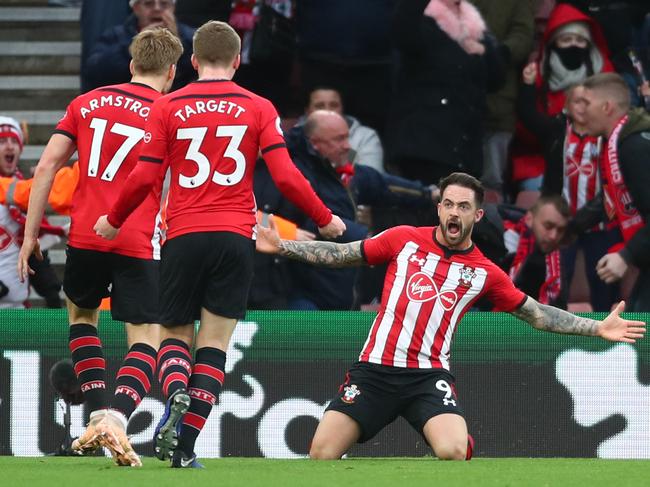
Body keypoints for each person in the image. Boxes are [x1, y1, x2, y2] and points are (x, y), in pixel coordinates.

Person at [93, 21, 346, 468]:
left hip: (183, 234)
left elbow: (146, 175)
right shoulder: (258, 106)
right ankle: (185, 448)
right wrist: (325, 220)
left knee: (173, 334)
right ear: (237, 59)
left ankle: (174, 390)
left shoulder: (168, 105)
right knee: (213, 345)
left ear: (191, 61)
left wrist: (114, 220)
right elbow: (286, 176)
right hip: (235, 236)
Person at [255, 171, 645, 460]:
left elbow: (536, 314)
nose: (454, 212)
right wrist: (285, 247)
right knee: (321, 455)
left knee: (454, 451)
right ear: (439, 207)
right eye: (448, 204)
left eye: (464, 206)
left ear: (477, 215)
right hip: (373, 371)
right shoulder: (402, 238)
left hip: (428, 378)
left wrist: (597, 328)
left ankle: (446, 435)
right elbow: (344, 254)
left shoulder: (485, 272)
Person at [17, 28, 184, 467]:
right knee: (145, 336)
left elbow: (48, 165)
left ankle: (95, 416)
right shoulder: (171, 111)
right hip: (136, 237)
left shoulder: (86, 102)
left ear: (131, 65)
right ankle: (116, 416)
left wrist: (30, 235)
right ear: (171, 71)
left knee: (82, 318)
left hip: (87, 236)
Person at [285, 110, 440, 310]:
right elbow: (306, 221)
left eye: (347, 137)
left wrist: (429, 194)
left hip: (343, 286)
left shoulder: (342, 169)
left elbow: (382, 185)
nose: (347, 146)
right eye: (339, 139)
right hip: (304, 291)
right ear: (315, 144)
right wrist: (367, 237)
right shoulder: (295, 172)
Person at [518, 64, 621, 311]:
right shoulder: (557, 130)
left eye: (589, 102)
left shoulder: (608, 135)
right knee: (556, 281)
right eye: (578, 102)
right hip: (563, 223)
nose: (583, 107)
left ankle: (604, 334)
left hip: (599, 222)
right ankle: (558, 332)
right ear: (567, 106)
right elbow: (527, 115)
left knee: (603, 282)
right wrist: (528, 85)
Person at [386, 0, 504, 185]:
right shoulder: (422, 21)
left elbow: (497, 80)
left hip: (465, 150)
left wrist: (485, 51)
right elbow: (401, 33)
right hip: (424, 147)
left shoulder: (474, 28)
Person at [510, 3, 614, 192]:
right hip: (540, 161)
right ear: (554, 43)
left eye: (580, 40)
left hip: (595, 161)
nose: (574, 46)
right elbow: (525, 126)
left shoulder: (604, 73)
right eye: (566, 40)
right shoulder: (537, 73)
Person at [571, 72, 650, 311]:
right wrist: (571, 227)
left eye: (586, 103)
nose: (580, 111)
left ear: (607, 107)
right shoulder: (621, 141)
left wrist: (626, 255)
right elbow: (611, 196)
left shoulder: (635, 147)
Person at [0, 116, 64, 308]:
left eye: (14, 141)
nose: (10, 147)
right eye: (2, 141)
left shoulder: (27, 196)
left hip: (16, 310)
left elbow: (37, 256)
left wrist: (51, 291)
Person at [83, 0, 196, 92]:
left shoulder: (190, 36)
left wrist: (179, 44)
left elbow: (198, 72)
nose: (157, 8)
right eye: (148, 4)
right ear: (136, 8)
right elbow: (94, 70)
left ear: (173, 8)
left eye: (164, 4)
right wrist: (132, 49)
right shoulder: (116, 36)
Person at [502, 195, 570, 309]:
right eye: (548, 226)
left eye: (560, 230)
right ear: (529, 219)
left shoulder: (556, 257)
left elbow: (561, 305)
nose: (554, 236)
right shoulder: (504, 239)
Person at [297, 87, 385, 174]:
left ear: (342, 108)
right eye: (320, 106)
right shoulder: (294, 138)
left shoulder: (365, 137)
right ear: (307, 111)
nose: (327, 110)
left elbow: (372, 179)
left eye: (334, 105)